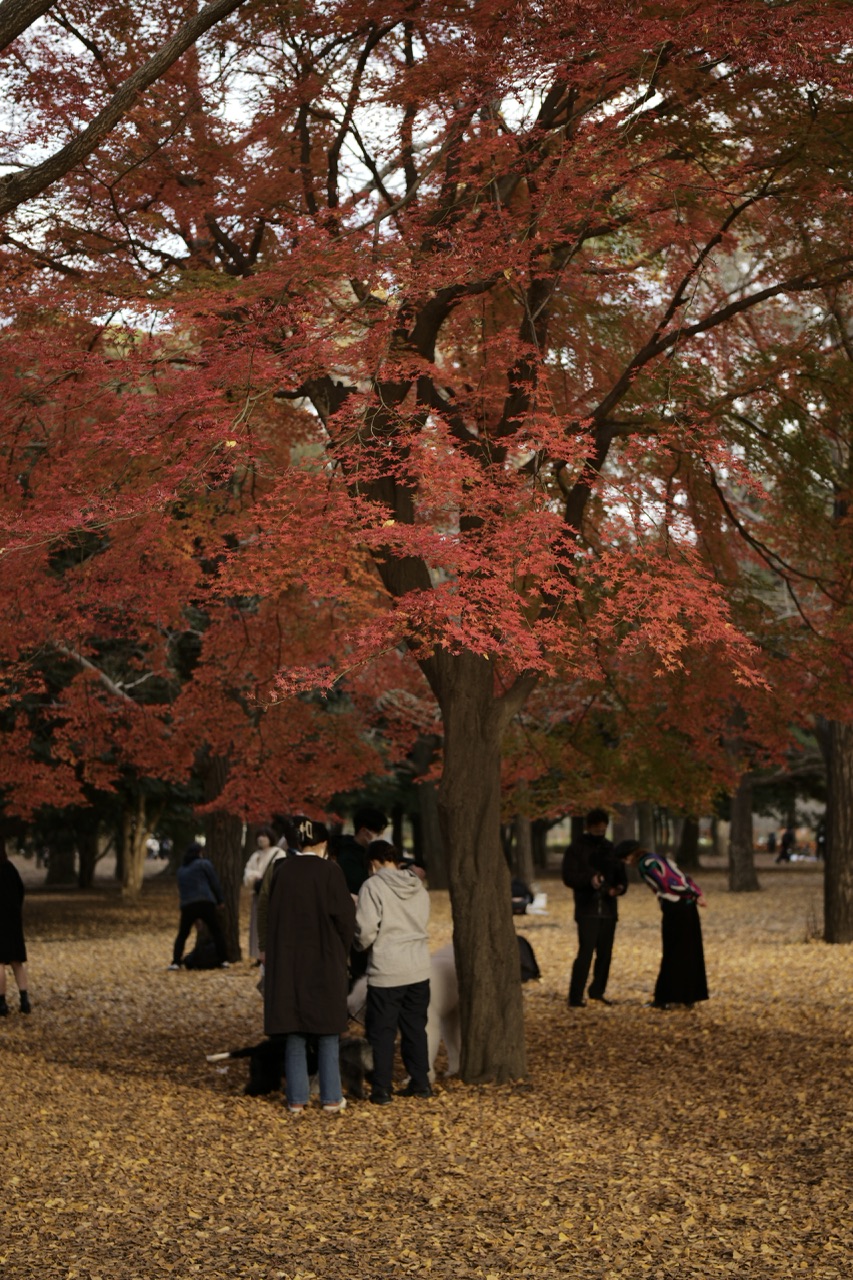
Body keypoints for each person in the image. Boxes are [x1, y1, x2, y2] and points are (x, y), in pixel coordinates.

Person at [263, 817, 355, 1115]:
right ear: (323, 843)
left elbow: (268, 912)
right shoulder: (330, 871)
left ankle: (297, 1098)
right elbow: (344, 918)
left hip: (288, 960)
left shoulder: (281, 870)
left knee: (294, 1029)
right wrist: (343, 950)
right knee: (327, 1030)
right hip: (324, 957)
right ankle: (330, 1097)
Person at [354, 839, 432, 1104]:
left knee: (382, 1032)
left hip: (388, 968)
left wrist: (358, 945)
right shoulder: (417, 886)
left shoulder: (372, 886)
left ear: (373, 863)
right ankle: (421, 1083)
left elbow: (365, 930)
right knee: (415, 1028)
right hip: (419, 966)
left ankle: (382, 1089)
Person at [615, 840, 708, 1009]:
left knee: (673, 951)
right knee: (690, 949)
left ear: (629, 856)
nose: (625, 863)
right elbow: (684, 877)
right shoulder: (661, 858)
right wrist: (696, 894)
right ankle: (688, 997)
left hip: (675, 907)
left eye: (624, 859)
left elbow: (666, 885)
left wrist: (692, 895)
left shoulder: (646, 865)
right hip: (688, 907)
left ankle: (666, 997)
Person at [561, 808, 627, 1007]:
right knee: (586, 952)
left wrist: (619, 888)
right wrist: (590, 881)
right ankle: (575, 995)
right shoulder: (576, 848)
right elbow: (569, 876)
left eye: (603, 829)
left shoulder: (610, 848)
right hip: (587, 908)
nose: (600, 832)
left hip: (608, 909)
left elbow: (621, 875)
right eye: (596, 829)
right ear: (588, 827)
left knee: (605, 953)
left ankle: (597, 991)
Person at [168, 843, 229, 970]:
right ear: (199, 853)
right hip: (205, 901)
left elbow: (182, 890)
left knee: (183, 934)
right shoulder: (204, 864)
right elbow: (214, 882)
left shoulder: (181, 870)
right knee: (216, 931)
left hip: (188, 905)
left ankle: (176, 961)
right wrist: (220, 900)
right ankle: (223, 959)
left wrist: (195, 918)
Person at [0, 849, 31, 1015]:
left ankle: (1, 1004)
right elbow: (20, 890)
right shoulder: (10, 867)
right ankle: (24, 1001)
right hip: (12, 920)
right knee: (16, 961)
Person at [334, 806, 389, 896]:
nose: (381, 837)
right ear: (363, 831)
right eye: (378, 833)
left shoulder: (373, 851)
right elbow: (364, 885)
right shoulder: (347, 856)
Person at [243, 827, 278, 962]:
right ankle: (258, 954)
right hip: (257, 893)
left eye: (264, 835)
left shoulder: (277, 853)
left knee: (267, 922)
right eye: (259, 835)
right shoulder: (255, 855)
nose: (261, 838)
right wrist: (255, 876)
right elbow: (248, 872)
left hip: (270, 894)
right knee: (256, 924)